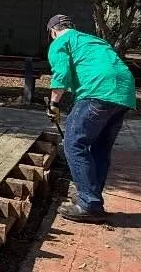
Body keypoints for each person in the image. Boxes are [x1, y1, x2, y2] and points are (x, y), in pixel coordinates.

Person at [45, 14, 136, 222]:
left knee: (73, 144)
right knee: (100, 148)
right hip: (124, 92)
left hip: (97, 91)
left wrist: (54, 104)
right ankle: (92, 197)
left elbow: (61, 74)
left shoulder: (60, 41)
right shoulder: (92, 40)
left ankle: (89, 203)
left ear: (52, 32)